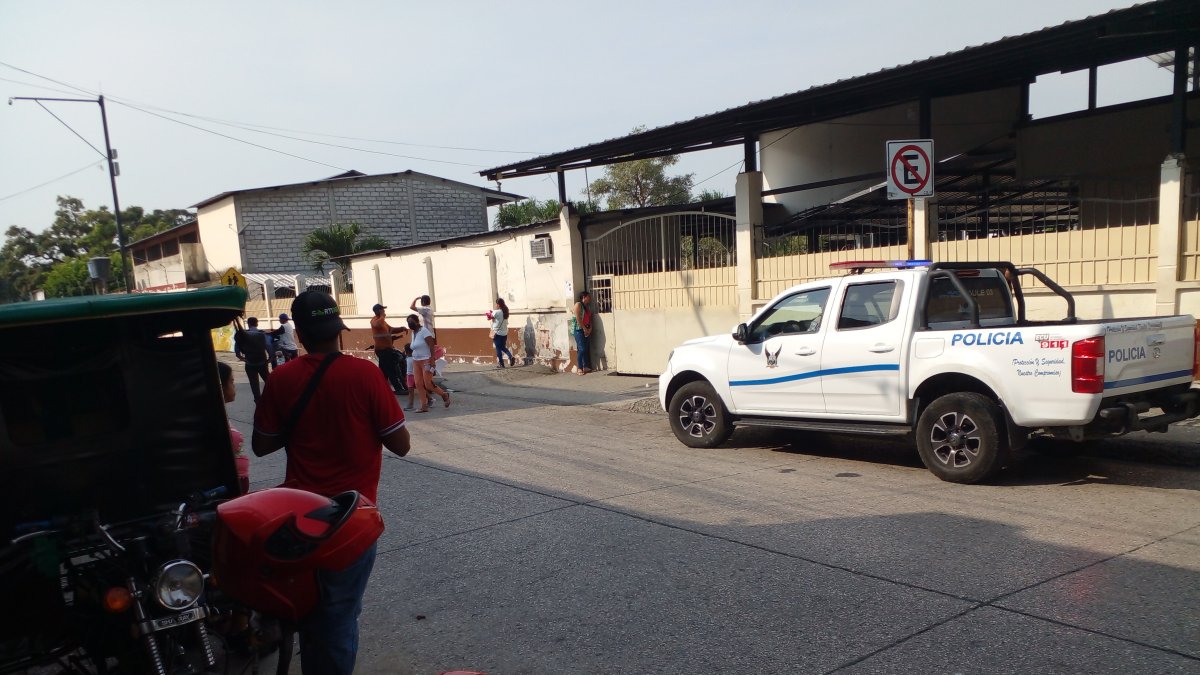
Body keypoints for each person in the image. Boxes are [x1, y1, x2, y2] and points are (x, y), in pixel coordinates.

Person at [252, 290, 410, 675]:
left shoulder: (282, 379)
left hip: (300, 520)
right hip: (351, 522)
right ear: (338, 331)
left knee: (311, 611)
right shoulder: (365, 375)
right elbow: (401, 445)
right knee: (338, 617)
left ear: (299, 335)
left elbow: (261, 445)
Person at [217, 361, 251, 495]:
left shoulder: (221, 413)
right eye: (231, 381)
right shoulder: (214, 418)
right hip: (228, 487)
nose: (234, 386)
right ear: (220, 386)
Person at [407, 313, 448, 413]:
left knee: (428, 384)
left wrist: (432, 360)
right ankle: (423, 405)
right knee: (418, 384)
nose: (410, 324)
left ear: (417, 321)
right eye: (408, 322)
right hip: (416, 360)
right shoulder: (413, 333)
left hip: (426, 360)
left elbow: (431, 345)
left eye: (412, 321)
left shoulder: (424, 331)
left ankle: (443, 394)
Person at [370, 303, 408, 395]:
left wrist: (401, 328)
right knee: (391, 369)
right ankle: (398, 389)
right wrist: (382, 316)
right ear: (378, 311)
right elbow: (378, 325)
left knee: (383, 371)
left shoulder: (383, 322)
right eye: (382, 309)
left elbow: (391, 329)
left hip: (387, 349)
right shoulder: (374, 320)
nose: (384, 311)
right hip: (383, 350)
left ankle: (380, 388)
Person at [234, 317, 271, 401]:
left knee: (254, 385)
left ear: (248, 324)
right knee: (269, 382)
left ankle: (258, 402)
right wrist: (270, 359)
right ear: (257, 323)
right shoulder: (262, 334)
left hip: (250, 364)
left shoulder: (242, 335)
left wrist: (243, 359)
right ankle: (271, 398)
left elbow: (237, 352)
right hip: (262, 363)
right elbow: (269, 346)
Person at [570, 291, 593, 375]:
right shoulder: (578, 305)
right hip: (578, 329)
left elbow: (589, 318)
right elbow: (578, 318)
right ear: (584, 297)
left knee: (586, 348)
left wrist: (590, 328)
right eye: (588, 297)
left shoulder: (586, 307)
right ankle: (579, 368)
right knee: (581, 348)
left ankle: (586, 366)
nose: (589, 298)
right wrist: (584, 328)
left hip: (586, 329)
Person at [488, 297, 516, 368]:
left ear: (498, 305)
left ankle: (501, 364)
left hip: (497, 333)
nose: (496, 305)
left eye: (496, 304)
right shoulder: (505, 312)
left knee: (498, 349)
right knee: (503, 347)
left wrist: (490, 314)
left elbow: (489, 317)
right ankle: (510, 356)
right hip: (504, 333)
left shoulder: (496, 312)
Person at [403, 344, 417, 411]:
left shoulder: (414, 358)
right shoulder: (408, 358)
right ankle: (410, 404)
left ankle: (430, 399)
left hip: (414, 375)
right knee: (411, 390)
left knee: (420, 389)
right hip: (409, 375)